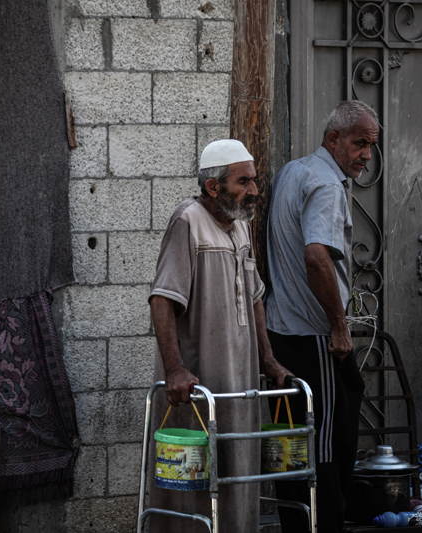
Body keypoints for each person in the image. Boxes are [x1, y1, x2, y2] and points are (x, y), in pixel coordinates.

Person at [148, 139, 291, 533]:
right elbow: (162, 299)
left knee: (237, 476)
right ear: (213, 187)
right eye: (244, 182)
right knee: (193, 486)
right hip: (197, 387)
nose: (255, 190)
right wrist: (175, 369)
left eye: (254, 181)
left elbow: (255, 297)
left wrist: (269, 361)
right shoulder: (188, 221)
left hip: (239, 383)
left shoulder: (241, 226)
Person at [264, 100, 378, 532]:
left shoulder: (292, 172)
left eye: (371, 146)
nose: (366, 155)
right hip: (314, 340)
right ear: (334, 139)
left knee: (290, 446)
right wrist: (339, 327)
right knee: (327, 449)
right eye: (360, 143)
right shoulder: (327, 185)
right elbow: (316, 257)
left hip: (281, 337)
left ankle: (295, 526)